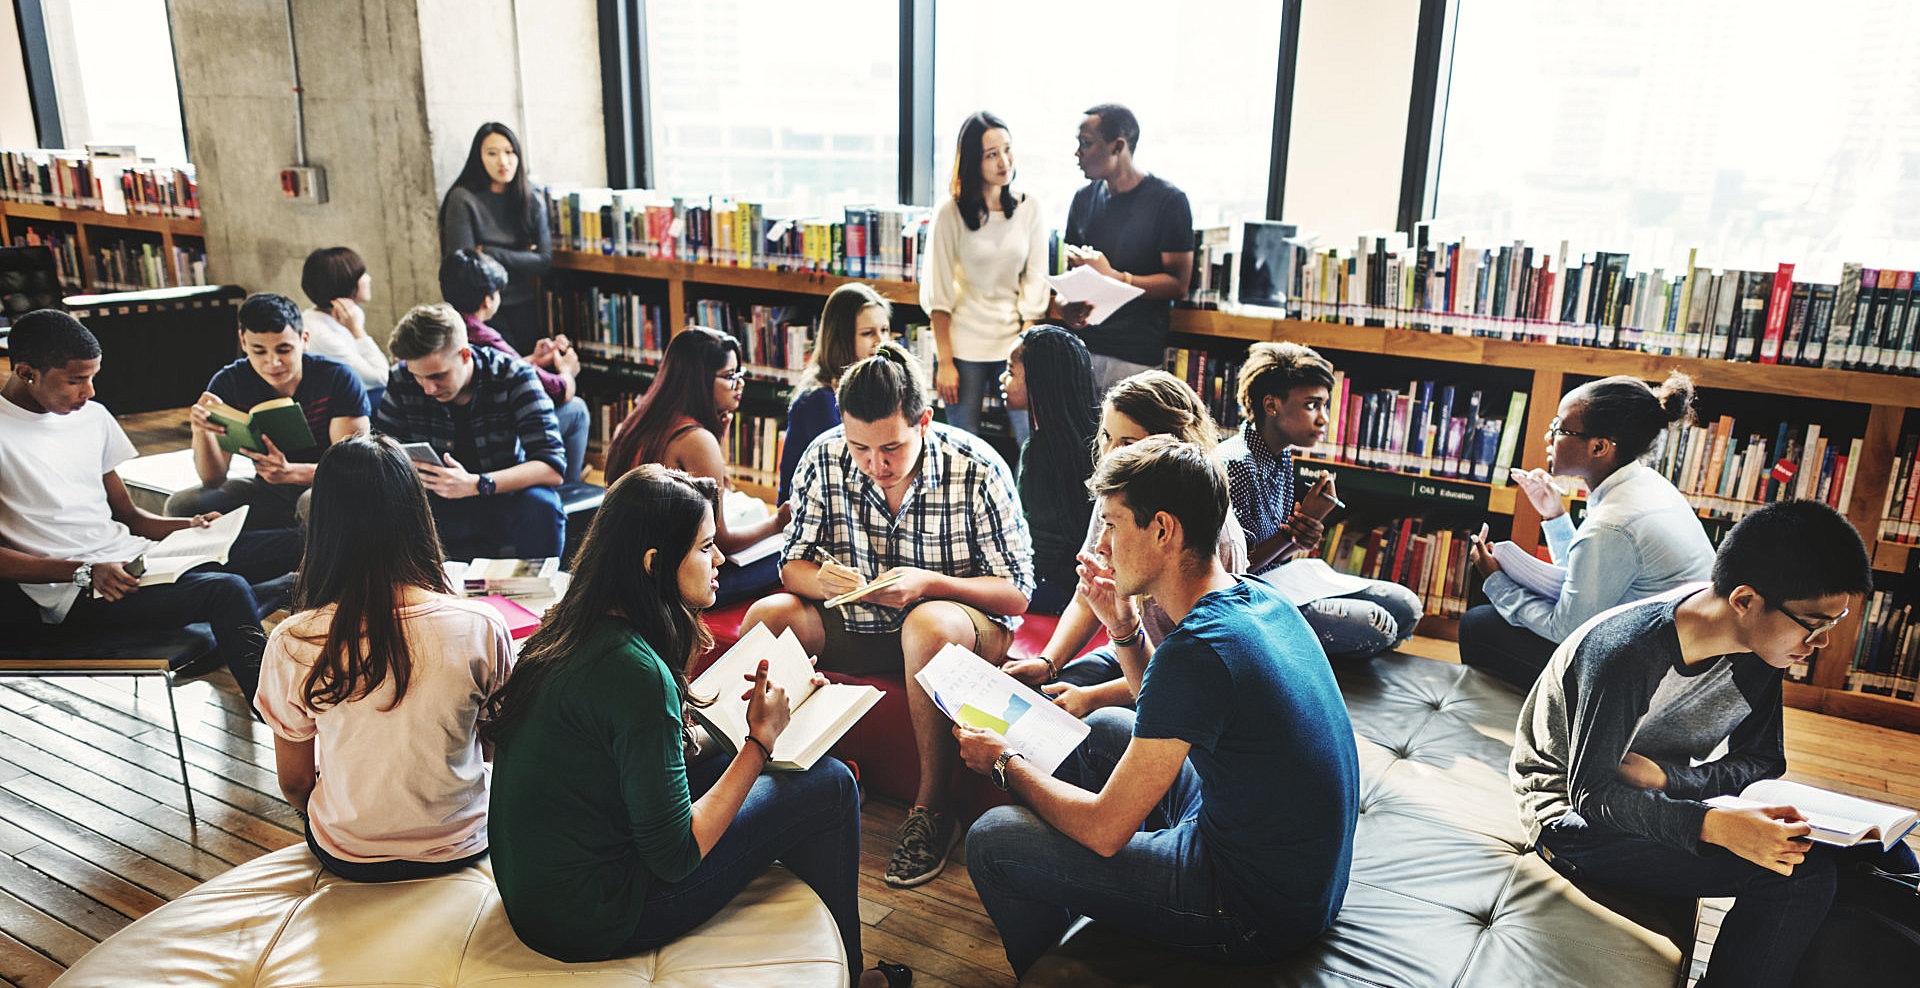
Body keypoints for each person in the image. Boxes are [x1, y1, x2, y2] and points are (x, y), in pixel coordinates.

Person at [482, 465, 906, 988]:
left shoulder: (568, 628)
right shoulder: (635, 671)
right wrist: (759, 741)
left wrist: (764, 716)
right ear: (654, 563)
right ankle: (853, 976)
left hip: (538, 894)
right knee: (833, 785)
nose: (721, 559)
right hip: (596, 916)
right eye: (706, 547)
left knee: (752, 763)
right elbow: (677, 853)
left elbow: (643, 754)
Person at [961, 436, 1358, 978]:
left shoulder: (1198, 649)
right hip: (1298, 876)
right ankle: (1096, 903)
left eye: (1113, 524)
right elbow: (1169, 708)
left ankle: (1052, 970)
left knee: (990, 840)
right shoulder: (1257, 599)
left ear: (1163, 530)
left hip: (1252, 909)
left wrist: (1005, 763)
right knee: (1100, 726)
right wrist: (1122, 628)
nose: (1102, 544)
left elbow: (1105, 830)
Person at [1512, 499, 1915, 988]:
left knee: (1885, 855)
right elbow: (1593, 796)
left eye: (1833, 623)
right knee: (1799, 878)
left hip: (1653, 792)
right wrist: (1715, 826)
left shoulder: (1759, 649)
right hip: (1570, 819)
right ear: (1744, 600)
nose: (1821, 643)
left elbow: (1764, 760)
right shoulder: (1627, 654)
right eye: (1814, 623)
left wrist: (1670, 779)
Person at [742, 343, 1032, 889]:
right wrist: (821, 580)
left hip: (956, 630)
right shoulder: (823, 455)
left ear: (924, 420)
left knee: (925, 623)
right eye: (859, 448)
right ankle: (783, 775)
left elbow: (1017, 593)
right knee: (767, 616)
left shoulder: (976, 465)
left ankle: (932, 810)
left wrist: (928, 585)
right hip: (857, 624)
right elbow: (792, 567)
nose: (876, 464)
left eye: (892, 447)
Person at [0, 310, 301, 704]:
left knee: (300, 542)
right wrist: (83, 571)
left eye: (93, 377)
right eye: (75, 380)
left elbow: (131, 517)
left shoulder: (91, 417)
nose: (89, 392)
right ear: (26, 372)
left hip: (139, 560)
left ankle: (259, 604)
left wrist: (188, 526)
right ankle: (280, 717)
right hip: (81, 592)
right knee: (227, 591)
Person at [255, 435, 512, 881]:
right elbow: (494, 746)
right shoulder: (481, 625)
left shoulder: (294, 639)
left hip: (348, 850)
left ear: (322, 525)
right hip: (461, 842)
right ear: (417, 514)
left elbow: (295, 783)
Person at [1003, 370, 1248, 717]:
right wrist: (1048, 662)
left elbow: (1190, 673)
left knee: (1093, 720)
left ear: (1169, 446)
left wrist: (1092, 697)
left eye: (1128, 443)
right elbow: (1089, 597)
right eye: (1106, 437)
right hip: (1129, 644)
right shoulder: (1118, 497)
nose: (1110, 454)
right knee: (1041, 702)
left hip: (1182, 677)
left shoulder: (1216, 537)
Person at [1463, 372, 1715, 690]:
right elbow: (1585, 580)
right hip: (1674, 661)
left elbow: (1566, 629)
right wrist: (1554, 515)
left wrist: (1496, 582)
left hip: (1645, 683)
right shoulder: (1646, 483)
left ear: (1598, 447)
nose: (1548, 437)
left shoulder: (1612, 524)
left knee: (1479, 625)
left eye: (1559, 428)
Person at [1220, 342, 1422, 658]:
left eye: (1325, 406)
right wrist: (1292, 534)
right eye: (1312, 405)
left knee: (1406, 606)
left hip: (1284, 579)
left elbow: (1280, 552)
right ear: (1271, 405)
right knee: (1377, 625)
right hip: (1248, 597)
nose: (1323, 419)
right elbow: (1231, 570)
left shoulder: (1281, 453)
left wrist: (1304, 532)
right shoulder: (1236, 464)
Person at [605, 327, 791, 606]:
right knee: (786, 560)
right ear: (700, 381)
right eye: (730, 376)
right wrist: (777, 523)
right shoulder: (696, 440)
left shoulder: (635, 422)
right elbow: (722, 543)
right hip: (669, 585)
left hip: (626, 571)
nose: (739, 385)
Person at [374, 303, 565, 561]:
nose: (428, 388)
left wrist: (477, 484)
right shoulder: (401, 378)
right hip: (435, 503)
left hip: (501, 494)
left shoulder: (514, 376)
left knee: (543, 506)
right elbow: (381, 453)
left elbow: (551, 467)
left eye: (438, 376)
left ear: (465, 355)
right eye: (419, 377)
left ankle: (536, 589)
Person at [168, 293, 372, 530]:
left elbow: (356, 469)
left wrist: (291, 472)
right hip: (266, 489)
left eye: (284, 350)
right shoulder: (228, 383)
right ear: (243, 343)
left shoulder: (337, 378)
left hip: (324, 486)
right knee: (182, 505)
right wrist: (200, 429)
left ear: (304, 340)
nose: (272, 362)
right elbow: (212, 479)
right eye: (259, 351)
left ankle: (300, 562)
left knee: (311, 503)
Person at [921, 111, 1050, 443]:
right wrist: (945, 361)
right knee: (963, 443)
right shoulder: (949, 212)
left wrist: (1025, 348)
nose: (1003, 161)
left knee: (1032, 441)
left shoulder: (1030, 208)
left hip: (1015, 342)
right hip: (965, 347)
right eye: (992, 154)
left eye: (1007, 149)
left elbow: (1035, 282)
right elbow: (938, 292)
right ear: (972, 162)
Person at [1052, 104, 1195, 391]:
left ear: (1118, 146)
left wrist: (1116, 277)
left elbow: (1178, 284)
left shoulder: (1168, 201)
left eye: (1087, 143)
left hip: (1134, 356)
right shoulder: (1082, 200)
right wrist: (1064, 306)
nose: (1078, 153)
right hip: (1082, 350)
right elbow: (1068, 281)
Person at [439, 248, 589, 484]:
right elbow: (557, 392)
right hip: (499, 436)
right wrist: (567, 370)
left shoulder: (445, 328)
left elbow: (494, 370)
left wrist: (532, 360)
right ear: (488, 300)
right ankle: (569, 490)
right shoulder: (484, 335)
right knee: (577, 409)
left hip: (460, 436)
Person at [999, 326, 1099, 615]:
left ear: (1040, 381)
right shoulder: (1090, 436)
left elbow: (1035, 546)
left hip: (1053, 589)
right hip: (1077, 584)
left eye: (1011, 371)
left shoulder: (1041, 451)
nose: (1002, 379)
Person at [440, 122, 551, 352]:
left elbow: (543, 261)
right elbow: (465, 268)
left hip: (524, 302)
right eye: (492, 153)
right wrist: (521, 257)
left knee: (533, 368)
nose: (503, 161)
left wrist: (490, 252)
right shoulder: (463, 199)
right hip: (482, 309)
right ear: (478, 157)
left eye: (510, 152)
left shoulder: (531, 198)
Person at [778, 282, 892, 500]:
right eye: (868, 333)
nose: (881, 342)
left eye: (884, 330)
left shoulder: (869, 388)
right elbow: (847, 477)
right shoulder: (819, 400)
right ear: (842, 339)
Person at [298, 246, 389, 396]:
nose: (368, 278)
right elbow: (381, 377)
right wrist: (357, 331)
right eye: (362, 274)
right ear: (346, 283)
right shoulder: (320, 333)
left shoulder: (350, 314)